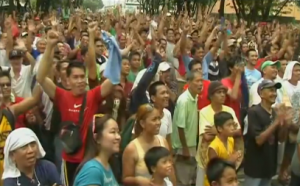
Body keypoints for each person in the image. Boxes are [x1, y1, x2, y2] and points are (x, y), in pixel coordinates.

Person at [36, 29, 118, 186]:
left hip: (89, 160)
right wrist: (50, 46)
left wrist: (115, 51)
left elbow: (113, 80)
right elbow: (40, 77)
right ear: (67, 79)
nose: (80, 80)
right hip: (69, 159)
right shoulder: (61, 95)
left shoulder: (92, 96)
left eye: (82, 76)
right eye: (75, 77)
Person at [244, 80, 290, 186]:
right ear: (261, 93)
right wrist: (277, 122)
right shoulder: (253, 112)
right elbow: (259, 140)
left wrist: (285, 124)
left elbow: (281, 138)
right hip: (255, 169)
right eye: (270, 90)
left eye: (275, 91)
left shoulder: (275, 113)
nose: (274, 93)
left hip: (269, 167)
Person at [122, 104, 175, 186]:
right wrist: (137, 180)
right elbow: (125, 179)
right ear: (142, 123)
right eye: (154, 119)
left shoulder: (163, 141)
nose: (158, 123)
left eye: (159, 118)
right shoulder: (132, 148)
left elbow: (171, 170)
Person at [74, 114, 121, 186]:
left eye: (118, 132)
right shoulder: (92, 171)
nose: (118, 137)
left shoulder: (108, 164)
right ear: (97, 138)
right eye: (113, 132)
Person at [204, 111, 242, 186]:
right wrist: (231, 160)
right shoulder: (213, 147)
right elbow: (215, 170)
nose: (232, 128)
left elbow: (230, 155)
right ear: (220, 128)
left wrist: (236, 156)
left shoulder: (231, 140)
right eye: (229, 125)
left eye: (233, 125)